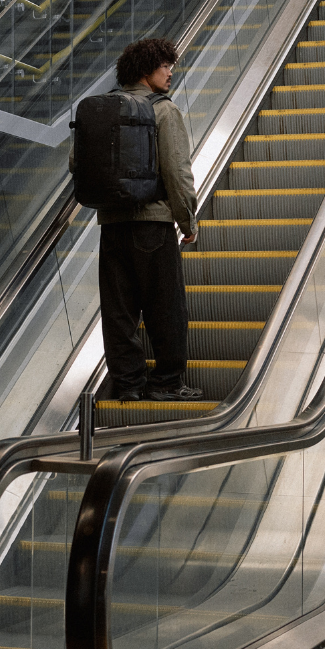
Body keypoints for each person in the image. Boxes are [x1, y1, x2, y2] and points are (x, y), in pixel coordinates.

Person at [85, 37, 202, 403]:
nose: (170, 73)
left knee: (119, 311)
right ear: (146, 70)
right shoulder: (163, 111)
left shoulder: (104, 109)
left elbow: (78, 164)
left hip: (112, 226)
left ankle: (129, 385)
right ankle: (166, 382)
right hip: (152, 225)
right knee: (165, 304)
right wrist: (187, 221)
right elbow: (177, 172)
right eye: (165, 66)